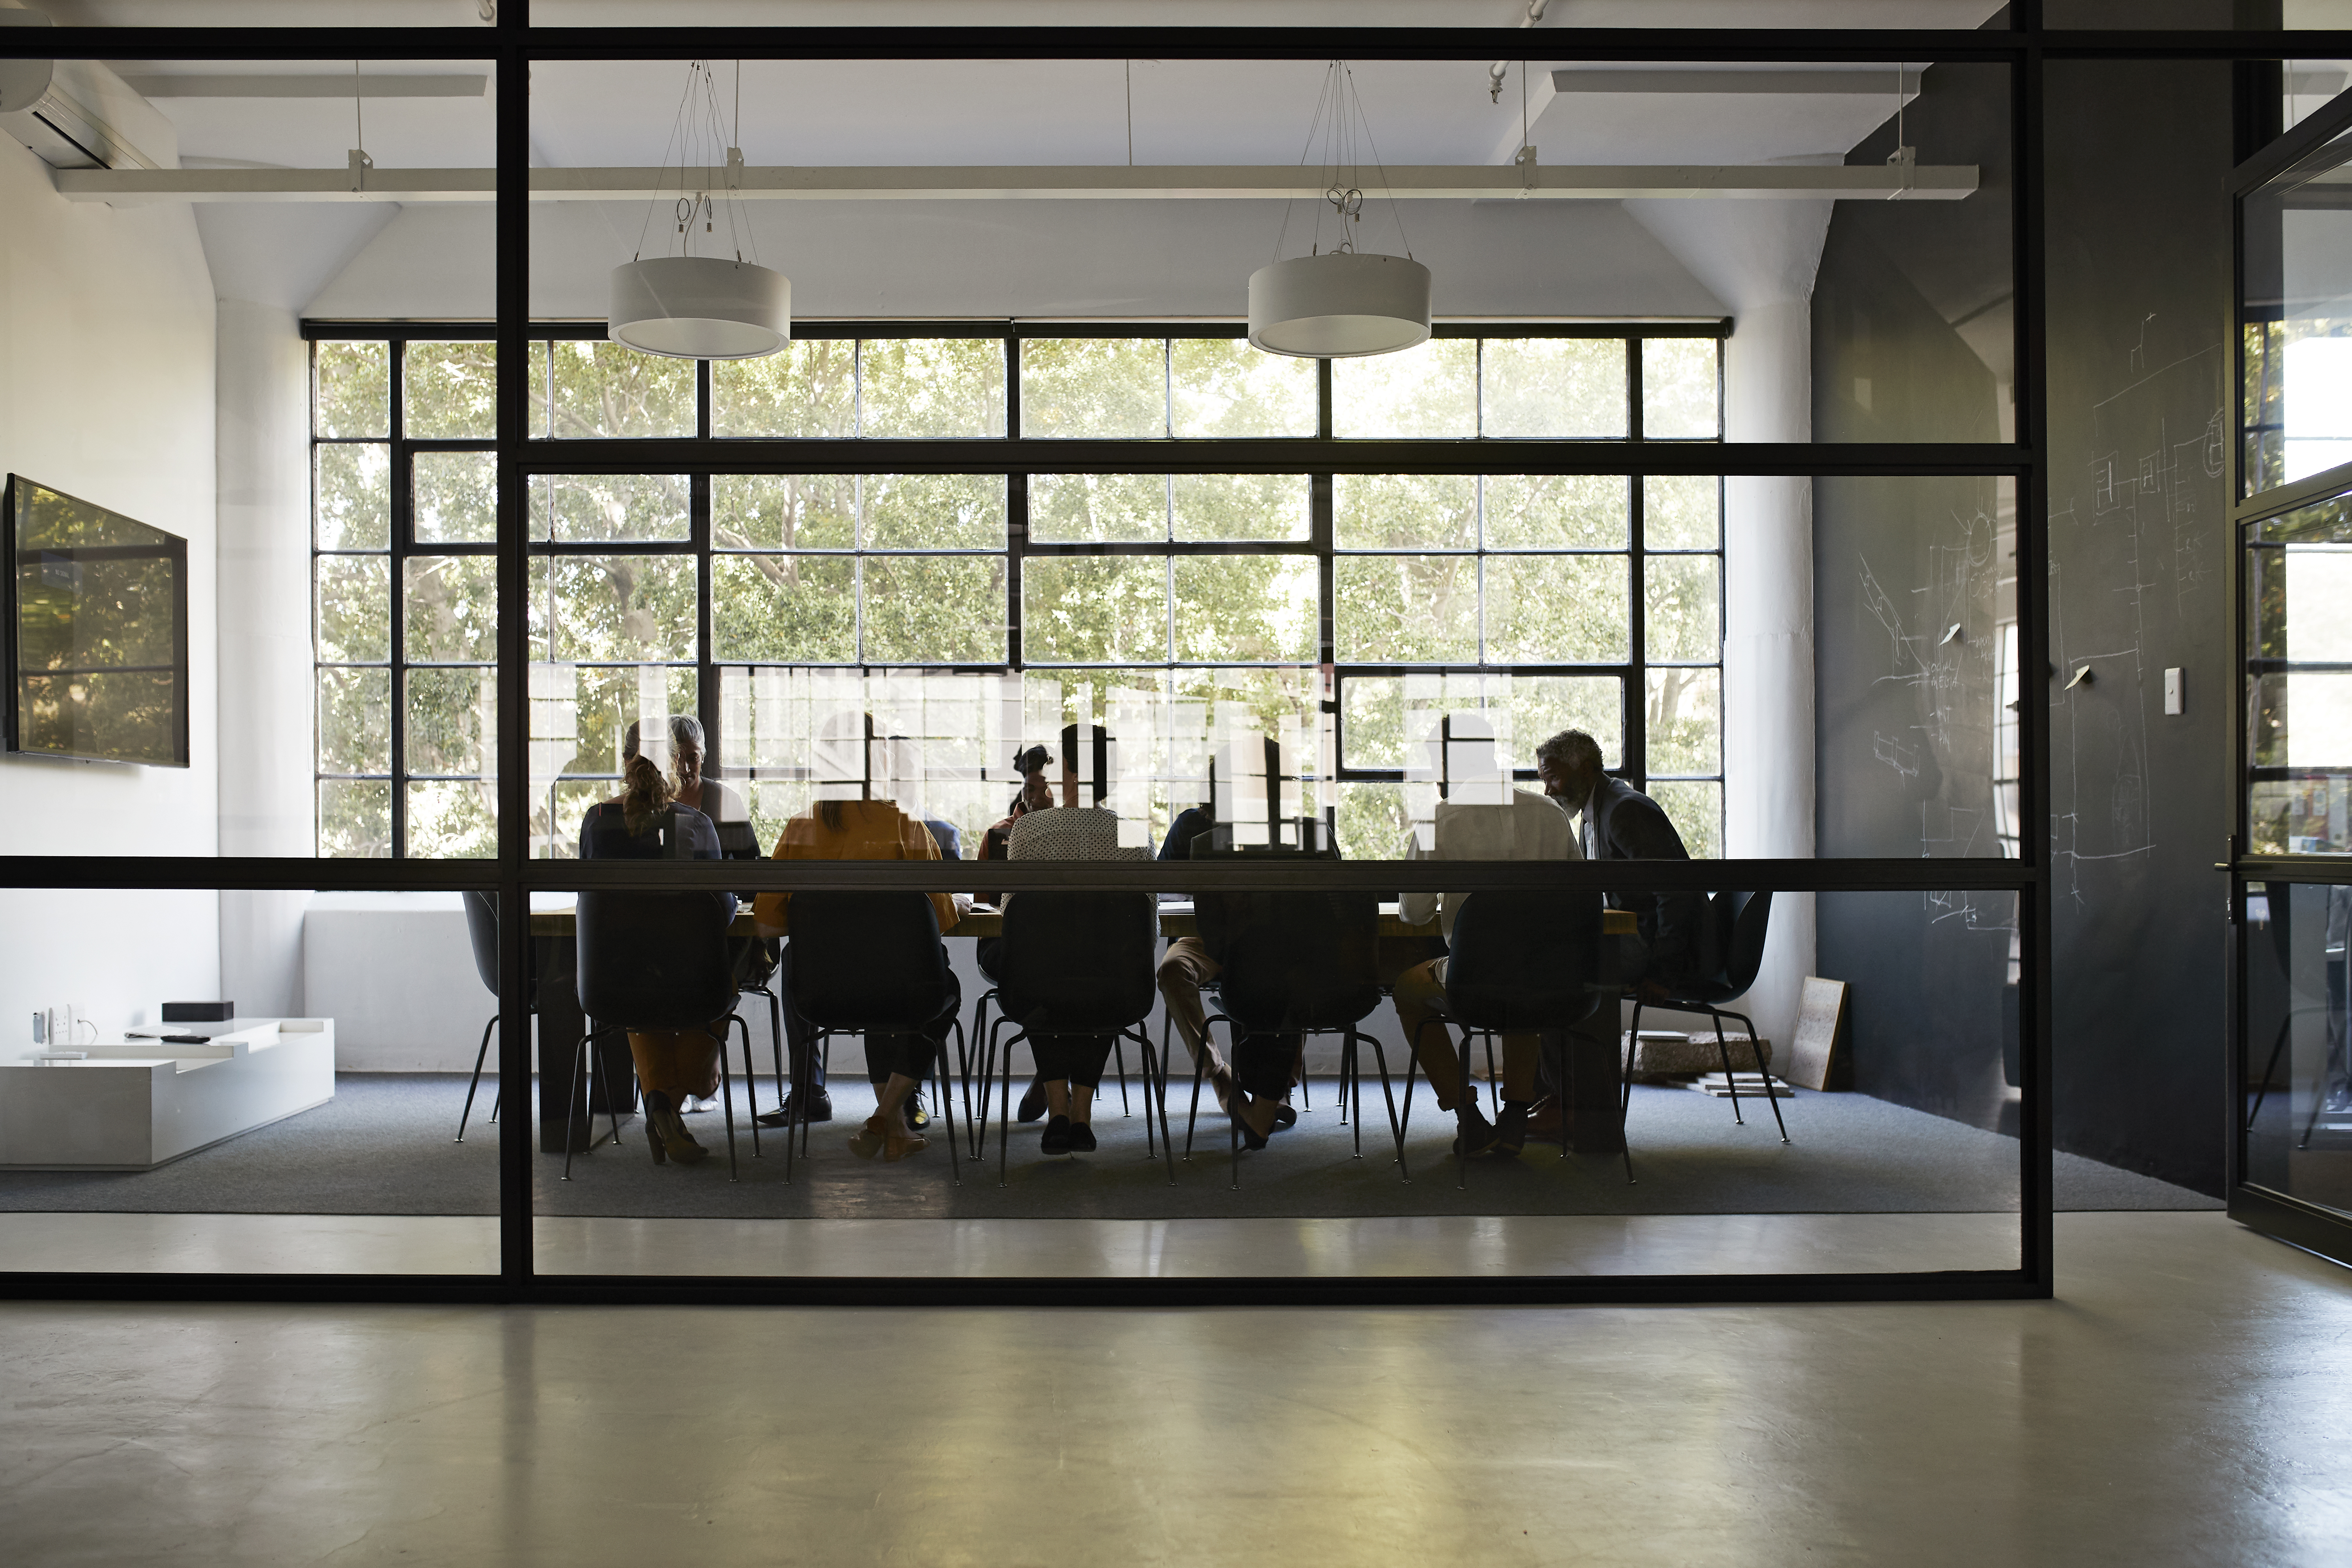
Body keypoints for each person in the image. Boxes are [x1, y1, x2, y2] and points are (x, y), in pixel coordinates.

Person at [750, 796, 969, 1162]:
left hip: (822, 992)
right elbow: (938, 922)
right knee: (939, 990)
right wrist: (956, 902)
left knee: (869, 983)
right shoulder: (906, 826)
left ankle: (893, 1128)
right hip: (894, 986)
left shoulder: (801, 827)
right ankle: (885, 1119)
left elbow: (767, 923)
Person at [981, 723, 1150, 1158]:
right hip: (1117, 989)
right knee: (1097, 984)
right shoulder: (1135, 836)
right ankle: (1081, 1115)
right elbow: (1145, 932)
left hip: (1037, 985)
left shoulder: (1028, 832)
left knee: (1043, 975)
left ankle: (1059, 1113)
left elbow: (1013, 922)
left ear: (1073, 773)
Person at [1529, 727, 1703, 1144]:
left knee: (1549, 975)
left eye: (1552, 776)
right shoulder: (1597, 811)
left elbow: (1675, 891)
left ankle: (1572, 1106)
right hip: (1630, 939)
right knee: (1543, 968)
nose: (1546, 788)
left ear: (1584, 767)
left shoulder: (1625, 810)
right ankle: (1558, 1098)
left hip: (1651, 947)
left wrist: (1663, 971)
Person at [1390, 788, 1584, 1159]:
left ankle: (1468, 1117)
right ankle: (1515, 1118)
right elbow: (1580, 895)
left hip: (1472, 976)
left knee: (1405, 990)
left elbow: (1414, 912)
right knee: (1522, 994)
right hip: (1545, 972)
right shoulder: (1550, 812)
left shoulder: (1438, 818)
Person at [577, 728, 734, 1168]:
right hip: (693, 985)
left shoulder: (596, 821)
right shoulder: (697, 824)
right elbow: (719, 914)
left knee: (640, 993)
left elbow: (589, 899)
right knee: (723, 986)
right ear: (673, 766)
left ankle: (660, 1108)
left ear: (625, 763)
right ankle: (674, 1098)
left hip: (615, 982)